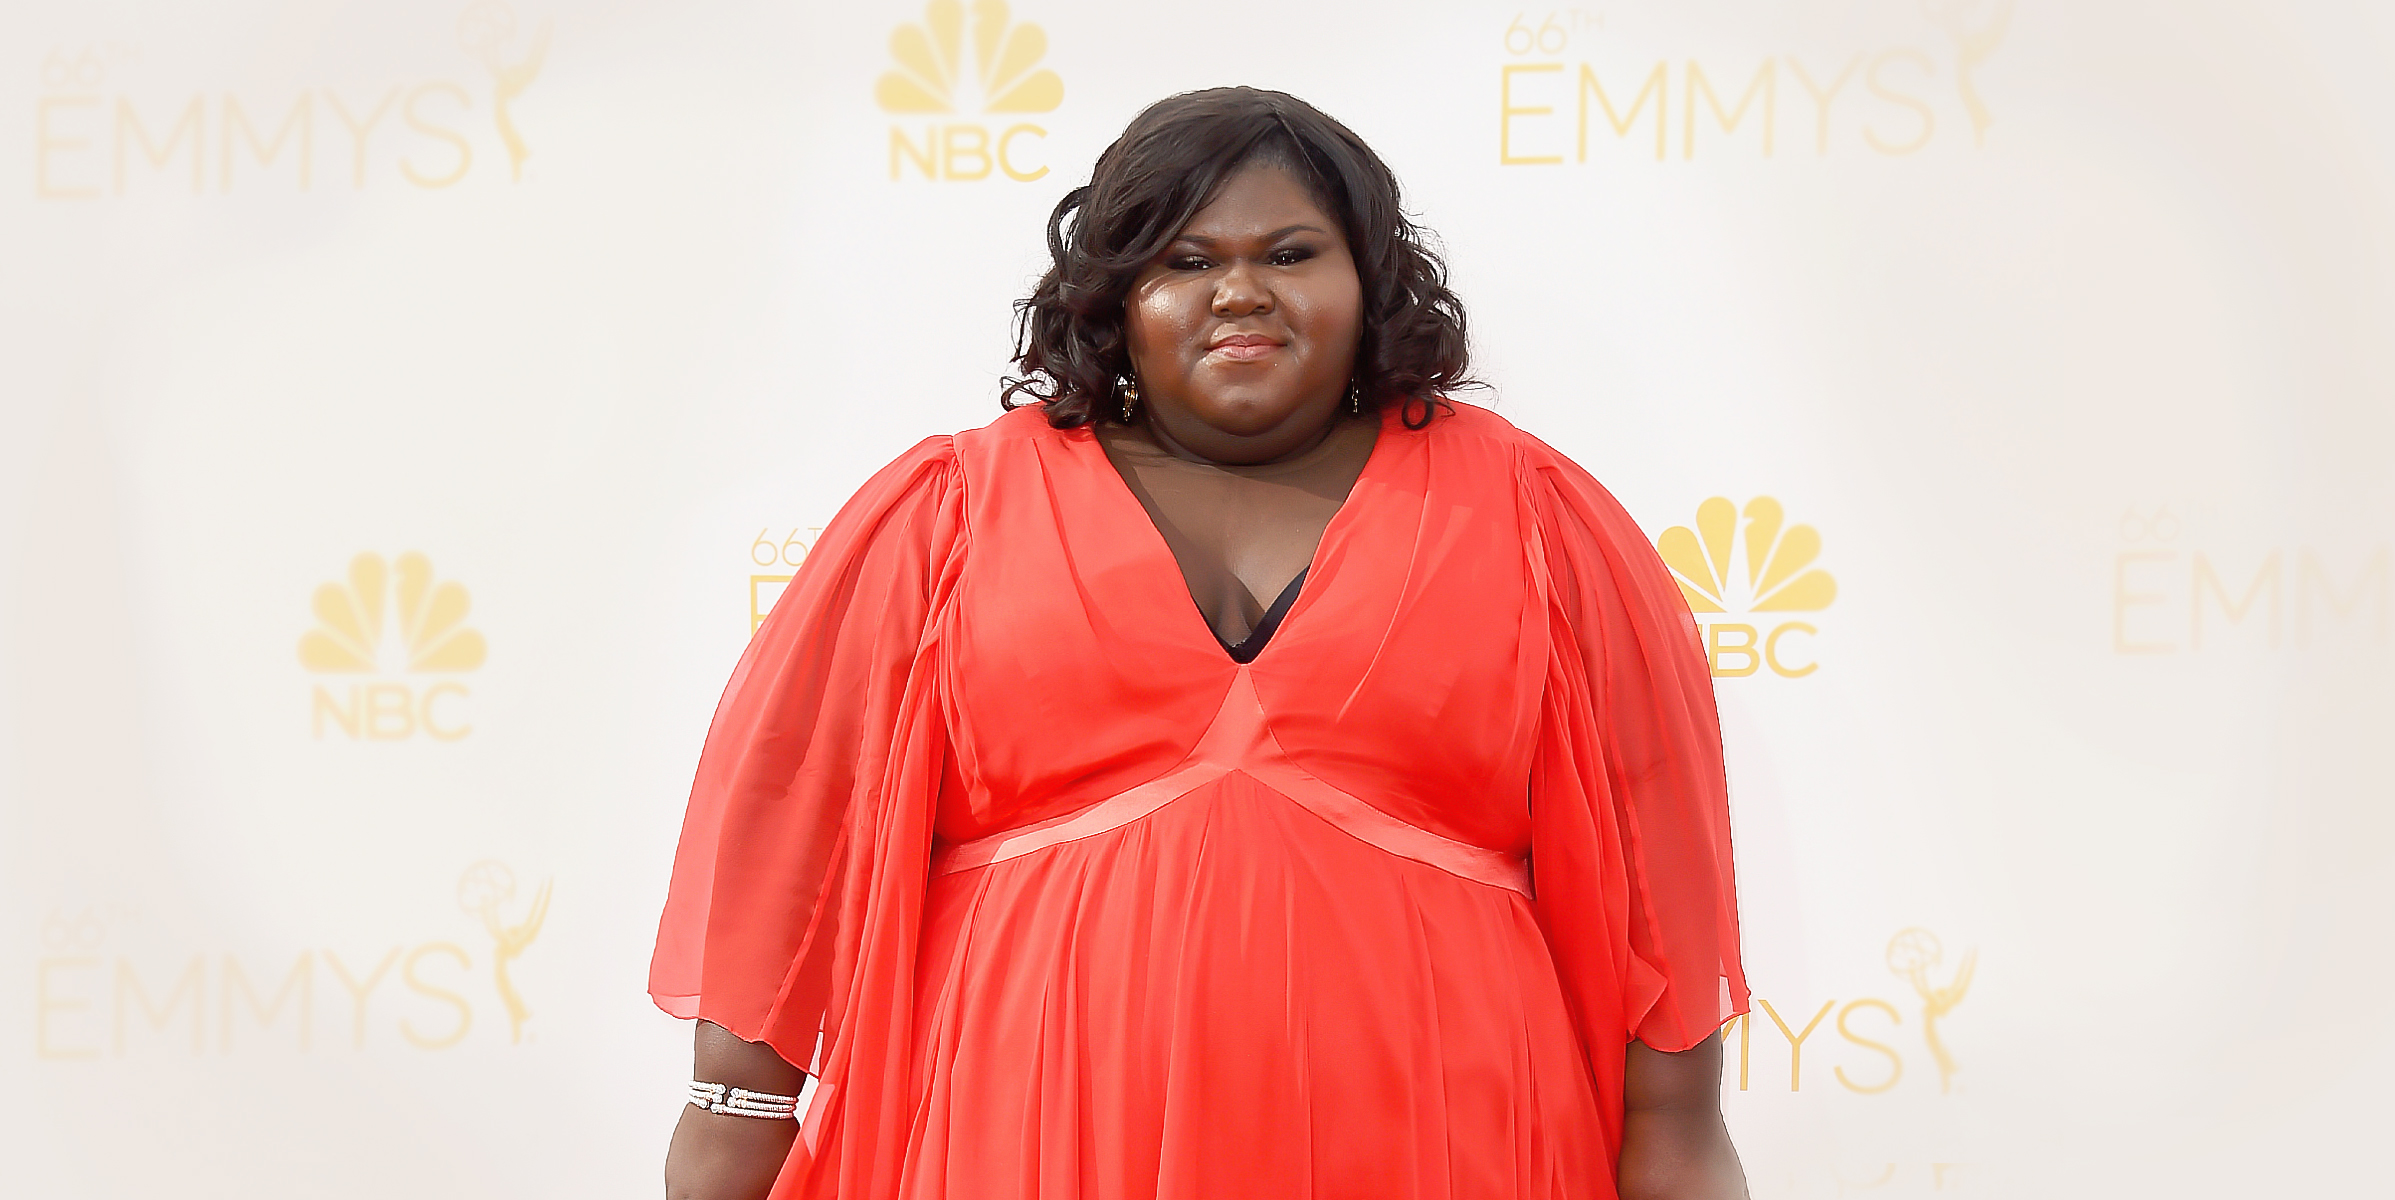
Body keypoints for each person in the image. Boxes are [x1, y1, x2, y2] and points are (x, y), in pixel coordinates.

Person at [654, 87, 1750, 1200]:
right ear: (1116, 297)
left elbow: (1658, 885)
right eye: (1183, 260)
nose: (1240, 291)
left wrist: (1679, 1131)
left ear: (1369, 280)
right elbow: (789, 843)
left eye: (1290, 252)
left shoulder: (1533, 515)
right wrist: (731, 1126)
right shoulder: (946, 512)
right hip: (1021, 1132)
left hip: (1444, 1134)